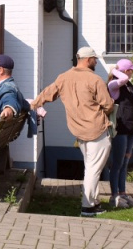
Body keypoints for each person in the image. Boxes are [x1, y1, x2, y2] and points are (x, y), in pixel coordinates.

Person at [31, 47, 113, 217]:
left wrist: (33, 105)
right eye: (94, 59)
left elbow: (47, 94)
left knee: (91, 168)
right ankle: (87, 207)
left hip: (78, 130)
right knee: (93, 170)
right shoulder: (96, 80)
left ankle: (94, 202)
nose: (96, 61)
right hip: (97, 129)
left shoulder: (63, 77)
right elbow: (108, 105)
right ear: (87, 59)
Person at [107, 58, 133, 209]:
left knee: (125, 164)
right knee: (117, 164)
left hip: (130, 130)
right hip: (120, 130)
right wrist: (114, 70)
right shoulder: (114, 85)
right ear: (125, 71)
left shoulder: (128, 85)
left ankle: (123, 193)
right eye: (131, 69)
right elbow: (123, 78)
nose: (132, 72)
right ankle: (114, 196)